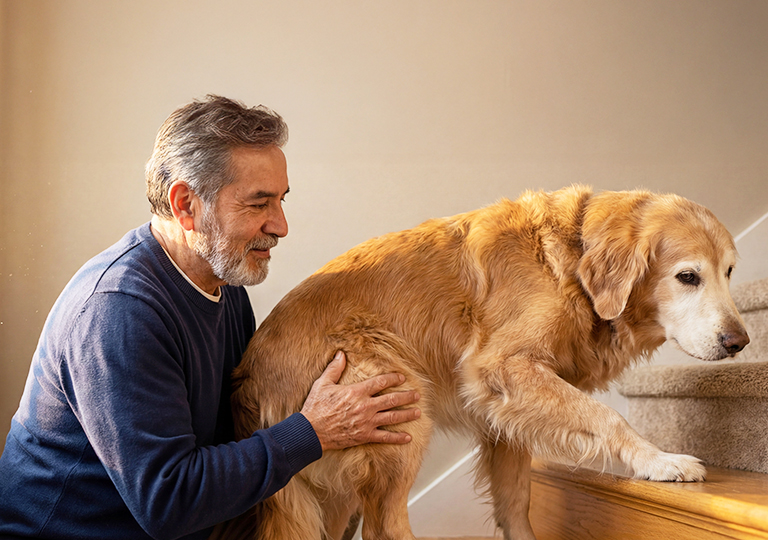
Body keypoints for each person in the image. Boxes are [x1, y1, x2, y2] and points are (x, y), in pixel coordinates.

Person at [0, 95, 421, 540]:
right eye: (259, 204)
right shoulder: (118, 310)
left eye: (281, 201)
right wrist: (312, 431)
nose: (281, 226)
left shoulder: (226, 282)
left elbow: (236, 434)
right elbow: (169, 501)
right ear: (185, 204)